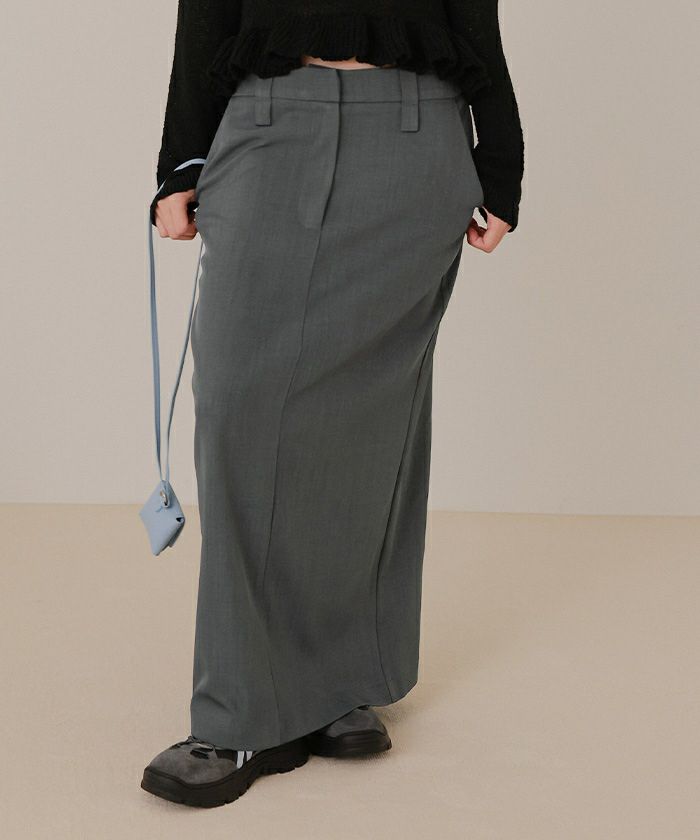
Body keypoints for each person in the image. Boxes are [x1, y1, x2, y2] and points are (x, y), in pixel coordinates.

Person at [141, 0, 523, 808]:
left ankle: (337, 685)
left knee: (370, 423)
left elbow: (472, 11)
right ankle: (238, 713)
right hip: (270, 117)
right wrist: (181, 161)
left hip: (419, 127)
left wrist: (502, 161)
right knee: (239, 409)